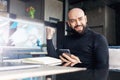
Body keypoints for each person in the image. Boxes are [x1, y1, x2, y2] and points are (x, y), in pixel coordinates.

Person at [46, 8, 109, 80]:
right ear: (69, 23)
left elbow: (102, 71)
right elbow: (54, 59)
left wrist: (80, 63)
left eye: (80, 19)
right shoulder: (65, 39)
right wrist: (49, 38)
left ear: (85, 19)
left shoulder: (98, 39)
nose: (78, 23)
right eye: (73, 21)